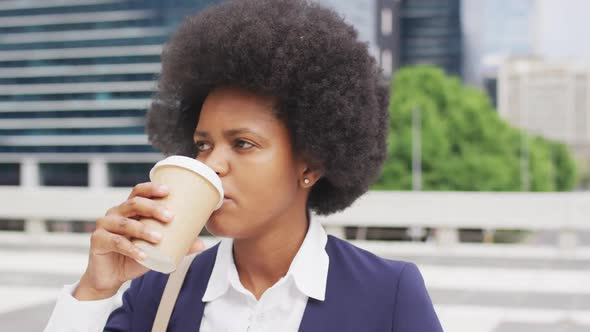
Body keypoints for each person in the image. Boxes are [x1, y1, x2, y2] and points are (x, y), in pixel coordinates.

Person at [44, 0, 443, 331]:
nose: (212, 163)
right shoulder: (157, 290)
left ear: (312, 162)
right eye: (203, 144)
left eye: (243, 143)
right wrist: (95, 291)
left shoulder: (388, 294)